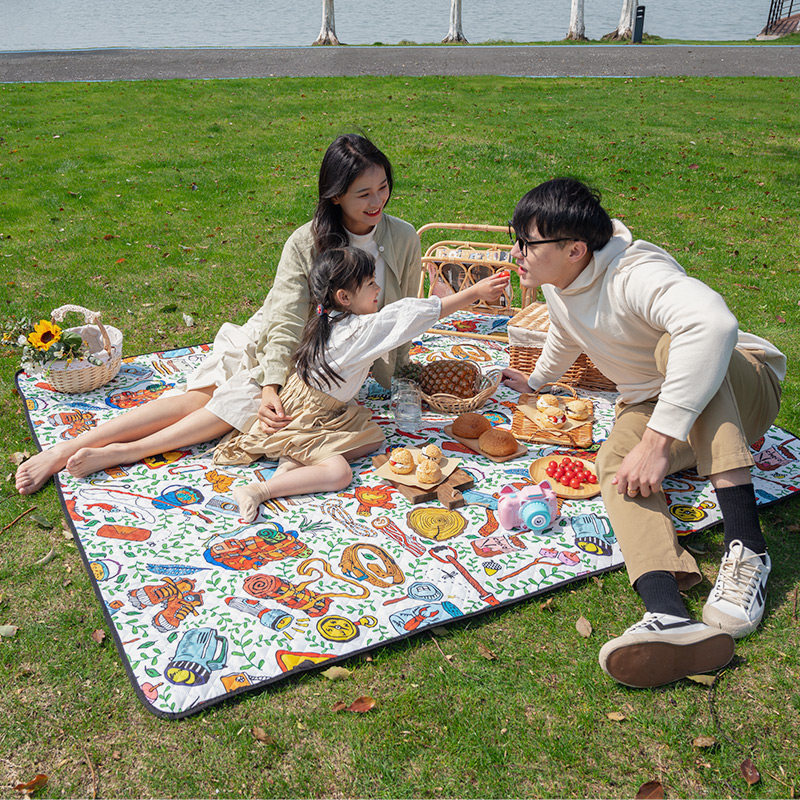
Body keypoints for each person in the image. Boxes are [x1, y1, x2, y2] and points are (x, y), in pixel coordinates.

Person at [15, 134, 423, 494]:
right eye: (363, 193)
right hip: (281, 343)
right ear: (335, 195)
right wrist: (272, 384)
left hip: (329, 358)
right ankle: (71, 449)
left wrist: (401, 377)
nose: (377, 202)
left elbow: (402, 311)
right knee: (208, 398)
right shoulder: (306, 241)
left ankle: (122, 451)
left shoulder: (403, 236)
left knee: (230, 406)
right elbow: (284, 319)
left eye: (383, 188)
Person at [501, 178, 785, 689]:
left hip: (745, 385)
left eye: (527, 243)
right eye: (515, 237)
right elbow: (567, 330)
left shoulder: (635, 273)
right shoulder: (558, 281)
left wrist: (658, 442)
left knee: (678, 348)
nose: (516, 252)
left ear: (575, 249)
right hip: (656, 400)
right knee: (613, 461)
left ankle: (748, 547)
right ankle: (667, 612)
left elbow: (714, 327)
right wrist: (537, 381)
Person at [226, 246, 509, 522]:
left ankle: (294, 459)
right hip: (305, 415)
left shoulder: (332, 319)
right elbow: (408, 315)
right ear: (344, 297)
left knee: (373, 437)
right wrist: (473, 293)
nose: (378, 289)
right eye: (371, 283)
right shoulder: (357, 331)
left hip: (319, 408)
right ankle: (261, 490)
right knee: (340, 473)